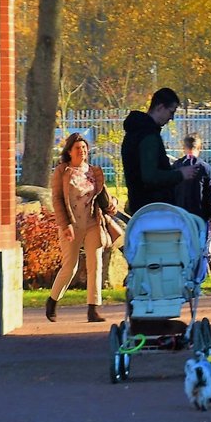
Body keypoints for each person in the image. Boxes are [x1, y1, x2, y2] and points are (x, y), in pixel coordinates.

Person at [46, 132, 119, 323]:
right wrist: (65, 224)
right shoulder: (63, 171)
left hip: (92, 223)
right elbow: (57, 199)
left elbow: (103, 195)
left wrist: (113, 203)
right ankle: (53, 300)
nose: (82, 151)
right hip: (71, 224)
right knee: (70, 266)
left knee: (95, 264)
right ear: (69, 151)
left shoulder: (93, 171)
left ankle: (93, 309)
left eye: (84, 148)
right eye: (78, 148)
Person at [120, 87, 195, 214]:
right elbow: (150, 176)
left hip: (139, 206)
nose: (171, 118)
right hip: (154, 208)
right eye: (171, 112)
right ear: (160, 107)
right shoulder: (148, 136)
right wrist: (180, 174)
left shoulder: (133, 133)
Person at [172, 132, 211, 260]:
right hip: (199, 215)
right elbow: (210, 194)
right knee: (198, 247)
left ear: (184, 147)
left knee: (181, 247)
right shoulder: (204, 168)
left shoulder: (176, 166)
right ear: (199, 148)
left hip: (179, 213)